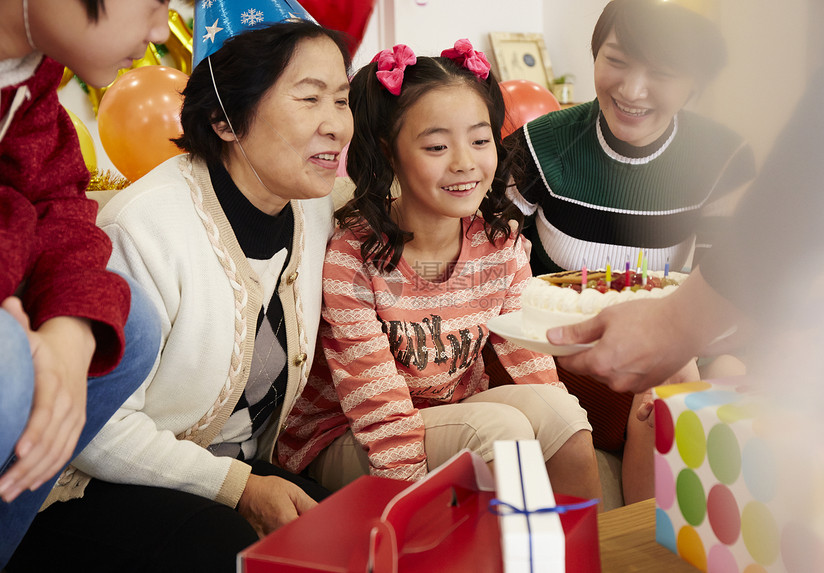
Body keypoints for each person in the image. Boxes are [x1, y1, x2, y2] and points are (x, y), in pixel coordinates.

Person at [7, 20, 354, 572]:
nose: (337, 124)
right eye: (310, 98)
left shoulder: (314, 203)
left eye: (342, 98)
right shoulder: (145, 227)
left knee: (352, 537)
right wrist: (238, 487)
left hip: (233, 476)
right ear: (224, 119)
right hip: (90, 483)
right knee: (228, 551)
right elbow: (99, 431)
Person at [278, 41, 602, 507]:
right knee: (503, 431)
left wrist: (553, 418)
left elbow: (528, 362)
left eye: (480, 139)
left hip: (450, 415)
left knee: (563, 415)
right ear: (391, 153)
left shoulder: (501, 244)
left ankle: (582, 557)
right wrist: (413, 508)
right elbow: (379, 411)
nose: (464, 163)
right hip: (345, 436)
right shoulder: (353, 256)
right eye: (436, 146)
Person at [500, 0, 756, 505]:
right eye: (616, 61)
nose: (632, 90)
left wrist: (694, 352)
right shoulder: (540, 145)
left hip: (677, 340)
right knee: (667, 389)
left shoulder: (723, 157)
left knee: (731, 380)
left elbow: (728, 284)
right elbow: (482, 259)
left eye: (661, 71)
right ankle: (641, 550)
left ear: (694, 82)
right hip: (568, 354)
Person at [0, 0, 166, 567]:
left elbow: (57, 200)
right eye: (153, 5)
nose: (157, 33)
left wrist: (70, 332)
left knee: (133, 327)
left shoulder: (30, 74)